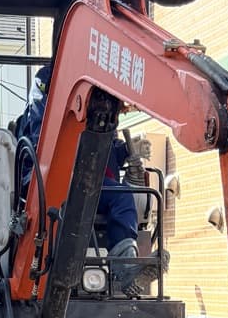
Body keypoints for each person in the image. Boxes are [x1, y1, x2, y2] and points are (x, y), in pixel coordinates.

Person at [15, 63, 143, 291]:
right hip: (48, 179)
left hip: (86, 179)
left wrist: (127, 151)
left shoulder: (101, 99)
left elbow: (106, 148)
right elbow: (41, 137)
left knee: (121, 195)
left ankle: (124, 266)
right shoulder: (46, 86)